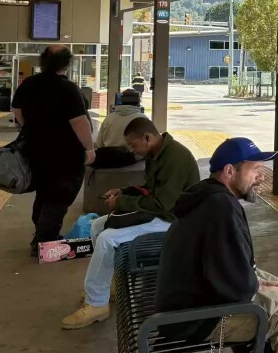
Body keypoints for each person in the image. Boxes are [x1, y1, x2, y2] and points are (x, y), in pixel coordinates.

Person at [155, 138, 278, 353]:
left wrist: (261, 283)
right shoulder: (220, 207)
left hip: (190, 306)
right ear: (229, 171)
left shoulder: (208, 197)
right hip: (194, 320)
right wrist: (257, 286)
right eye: (255, 169)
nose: (262, 177)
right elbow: (238, 288)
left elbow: (227, 266)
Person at [61, 117, 199, 329]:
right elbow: (150, 189)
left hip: (174, 221)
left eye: (134, 145)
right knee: (98, 226)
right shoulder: (157, 153)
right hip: (160, 213)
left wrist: (122, 202)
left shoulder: (176, 157)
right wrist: (123, 192)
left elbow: (162, 204)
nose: (132, 150)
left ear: (147, 137)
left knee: (107, 239)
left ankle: (96, 303)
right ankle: (110, 286)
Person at [11, 45, 96, 257]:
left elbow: (17, 109)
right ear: (67, 64)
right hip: (65, 155)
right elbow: (79, 122)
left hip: (35, 151)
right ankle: (45, 242)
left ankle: (41, 234)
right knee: (59, 196)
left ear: (43, 62)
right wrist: (89, 148)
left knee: (44, 191)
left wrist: (28, 128)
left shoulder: (29, 84)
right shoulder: (68, 89)